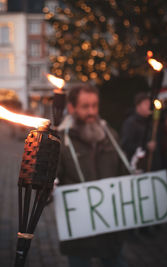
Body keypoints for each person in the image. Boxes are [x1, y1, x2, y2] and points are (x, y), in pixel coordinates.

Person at [57, 84, 128, 267]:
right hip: (80, 230)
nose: (91, 112)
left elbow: (123, 173)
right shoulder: (60, 141)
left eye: (94, 105)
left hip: (111, 227)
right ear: (71, 108)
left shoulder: (110, 135)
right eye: (85, 106)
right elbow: (52, 180)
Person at [121, 92, 162, 172]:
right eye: (146, 104)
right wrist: (145, 146)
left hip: (156, 167)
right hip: (141, 168)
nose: (149, 107)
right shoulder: (130, 123)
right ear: (138, 106)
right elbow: (126, 145)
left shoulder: (151, 122)